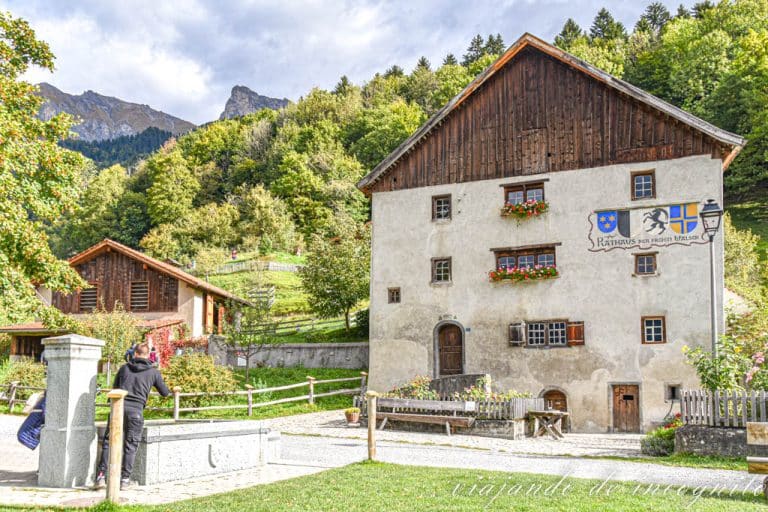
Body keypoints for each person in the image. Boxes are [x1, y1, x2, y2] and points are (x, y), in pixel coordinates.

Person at [95, 342, 170, 490]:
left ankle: (101, 478)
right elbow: (165, 392)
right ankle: (124, 480)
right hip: (136, 411)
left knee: (109, 442)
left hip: (118, 408)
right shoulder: (153, 372)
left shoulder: (124, 369)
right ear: (148, 355)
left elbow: (115, 388)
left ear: (135, 354)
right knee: (131, 444)